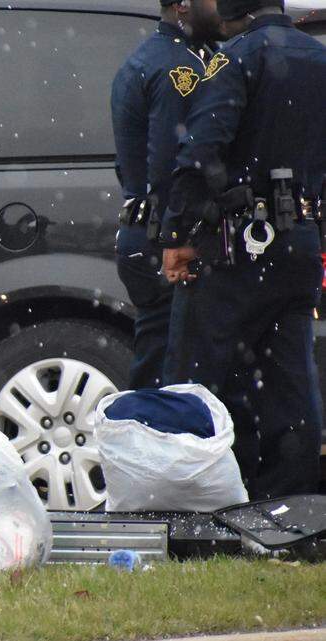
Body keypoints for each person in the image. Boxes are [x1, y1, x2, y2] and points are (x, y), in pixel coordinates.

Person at [160, 0, 326, 499]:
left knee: (194, 384)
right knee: (290, 383)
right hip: (300, 240)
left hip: (236, 245)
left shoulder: (235, 59)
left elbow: (200, 151)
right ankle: (289, 506)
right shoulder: (318, 58)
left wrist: (177, 235)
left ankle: (195, 505)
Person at [109, 0, 221, 390]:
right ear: (183, 5)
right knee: (172, 379)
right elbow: (171, 166)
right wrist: (178, 234)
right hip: (166, 237)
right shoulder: (179, 67)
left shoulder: (149, 57)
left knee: (159, 365)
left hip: (143, 231)